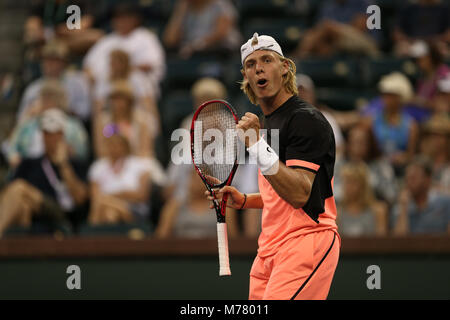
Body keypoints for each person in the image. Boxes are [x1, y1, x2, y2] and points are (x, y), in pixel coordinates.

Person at [206, 33, 340, 300]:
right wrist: (244, 200)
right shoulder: (269, 126)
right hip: (268, 251)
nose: (259, 68)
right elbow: (280, 196)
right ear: (246, 75)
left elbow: (301, 194)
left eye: (267, 60)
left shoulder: (306, 119)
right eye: (251, 63)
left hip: (305, 241)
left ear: (285, 67)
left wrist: (255, 145)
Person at [0, 108, 88, 237]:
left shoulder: (75, 164)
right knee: (23, 206)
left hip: (61, 213)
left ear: (62, 134)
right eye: (47, 133)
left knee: (19, 187)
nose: (50, 138)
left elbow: (80, 199)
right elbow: (10, 194)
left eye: (55, 133)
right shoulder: (29, 163)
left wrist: (64, 165)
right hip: (35, 214)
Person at [83, 3, 165, 97]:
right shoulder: (106, 40)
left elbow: (149, 65)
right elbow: (87, 66)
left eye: (124, 18)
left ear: (135, 19)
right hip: (105, 84)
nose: (120, 21)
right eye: (117, 18)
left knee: (137, 79)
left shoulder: (146, 37)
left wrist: (121, 71)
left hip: (133, 86)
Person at [4, 80, 89, 168]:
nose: (45, 102)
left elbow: (82, 154)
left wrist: (68, 151)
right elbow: (11, 148)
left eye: (50, 98)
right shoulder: (28, 124)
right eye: (43, 98)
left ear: (60, 100)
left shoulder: (73, 126)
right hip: (28, 169)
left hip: (58, 169)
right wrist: (14, 157)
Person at [18, 40, 91, 123]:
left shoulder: (76, 82)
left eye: (55, 61)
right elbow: (21, 119)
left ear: (64, 63)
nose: (51, 65)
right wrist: (35, 111)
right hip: (39, 128)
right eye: (47, 61)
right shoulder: (33, 88)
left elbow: (86, 112)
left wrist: (62, 109)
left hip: (69, 128)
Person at [88, 134, 152, 225]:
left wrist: (111, 196)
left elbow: (142, 196)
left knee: (104, 208)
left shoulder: (139, 165)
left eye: (117, 145)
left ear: (126, 147)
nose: (114, 148)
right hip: (106, 207)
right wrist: (124, 195)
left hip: (135, 209)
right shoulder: (98, 167)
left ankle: (90, 235)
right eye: (111, 145)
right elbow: (95, 196)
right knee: (110, 214)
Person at [155, 167, 238, 238]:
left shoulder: (224, 207)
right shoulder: (174, 206)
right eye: (192, 178)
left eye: (199, 179)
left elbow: (233, 238)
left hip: (215, 254)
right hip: (181, 254)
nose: (195, 182)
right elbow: (161, 237)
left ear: (210, 182)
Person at [92, 81, 154, 158]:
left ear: (130, 101)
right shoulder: (102, 122)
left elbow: (146, 150)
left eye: (121, 99)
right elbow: (100, 150)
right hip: (110, 162)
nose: (117, 103)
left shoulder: (142, 121)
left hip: (136, 161)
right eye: (114, 99)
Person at [163, 0, 241, 59]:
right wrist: (180, 10)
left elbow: (221, 33)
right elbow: (169, 41)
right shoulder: (185, 8)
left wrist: (195, 46)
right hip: (194, 56)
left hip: (221, 54)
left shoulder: (220, 4)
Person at [392, 157, 450, 235]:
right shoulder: (399, 208)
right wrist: (403, 209)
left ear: (428, 179)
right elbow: (398, 243)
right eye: (407, 179)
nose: (409, 183)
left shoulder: (445, 203)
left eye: (413, 178)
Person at [336, 162, 388, 237]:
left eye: (353, 182)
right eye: (346, 182)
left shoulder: (378, 211)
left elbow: (381, 243)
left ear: (363, 185)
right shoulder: (338, 213)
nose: (348, 186)